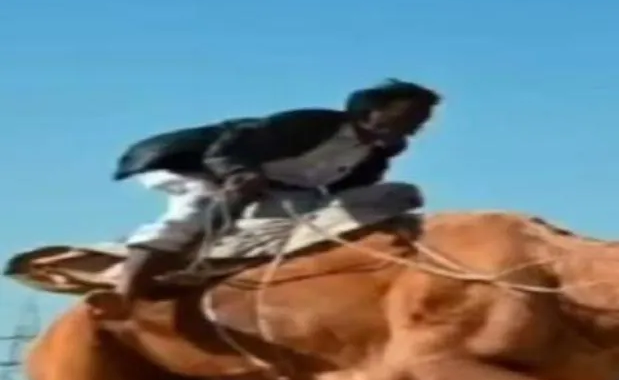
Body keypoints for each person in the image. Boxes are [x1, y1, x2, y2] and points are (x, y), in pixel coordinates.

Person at [99, 79, 442, 312]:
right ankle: (125, 289)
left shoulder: (381, 151)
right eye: (410, 116)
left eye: (422, 120)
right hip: (194, 164)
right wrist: (238, 173)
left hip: (272, 186)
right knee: (201, 203)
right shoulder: (313, 124)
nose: (416, 126)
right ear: (370, 113)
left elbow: (346, 193)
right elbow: (228, 146)